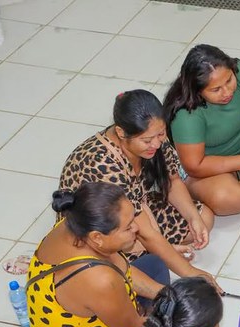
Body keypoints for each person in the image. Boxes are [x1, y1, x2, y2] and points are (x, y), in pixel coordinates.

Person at [60, 89, 217, 287]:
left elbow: (173, 180)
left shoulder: (155, 135)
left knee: (203, 218)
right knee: (134, 269)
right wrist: (192, 273)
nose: (156, 144)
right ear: (121, 133)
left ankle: (159, 250)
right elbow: (143, 231)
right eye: (147, 140)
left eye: (161, 134)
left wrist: (193, 217)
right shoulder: (103, 164)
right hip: (106, 227)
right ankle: (153, 252)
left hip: (135, 211)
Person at [27, 183, 165, 327]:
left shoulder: (76, 226)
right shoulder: (97, 279)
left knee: (155, 265)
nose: (136, 228)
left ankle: (139, 310)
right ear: (97, 238)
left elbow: (123, 270)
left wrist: (167, 294)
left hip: (98, 302)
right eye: (128, 227)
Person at [163, 44, 240, 215]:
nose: (227, 92)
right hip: (209, 170)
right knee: (226, 198)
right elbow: (195, 165)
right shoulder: (187, 114)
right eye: (216, 89)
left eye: (229, 80)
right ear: (197, 91)